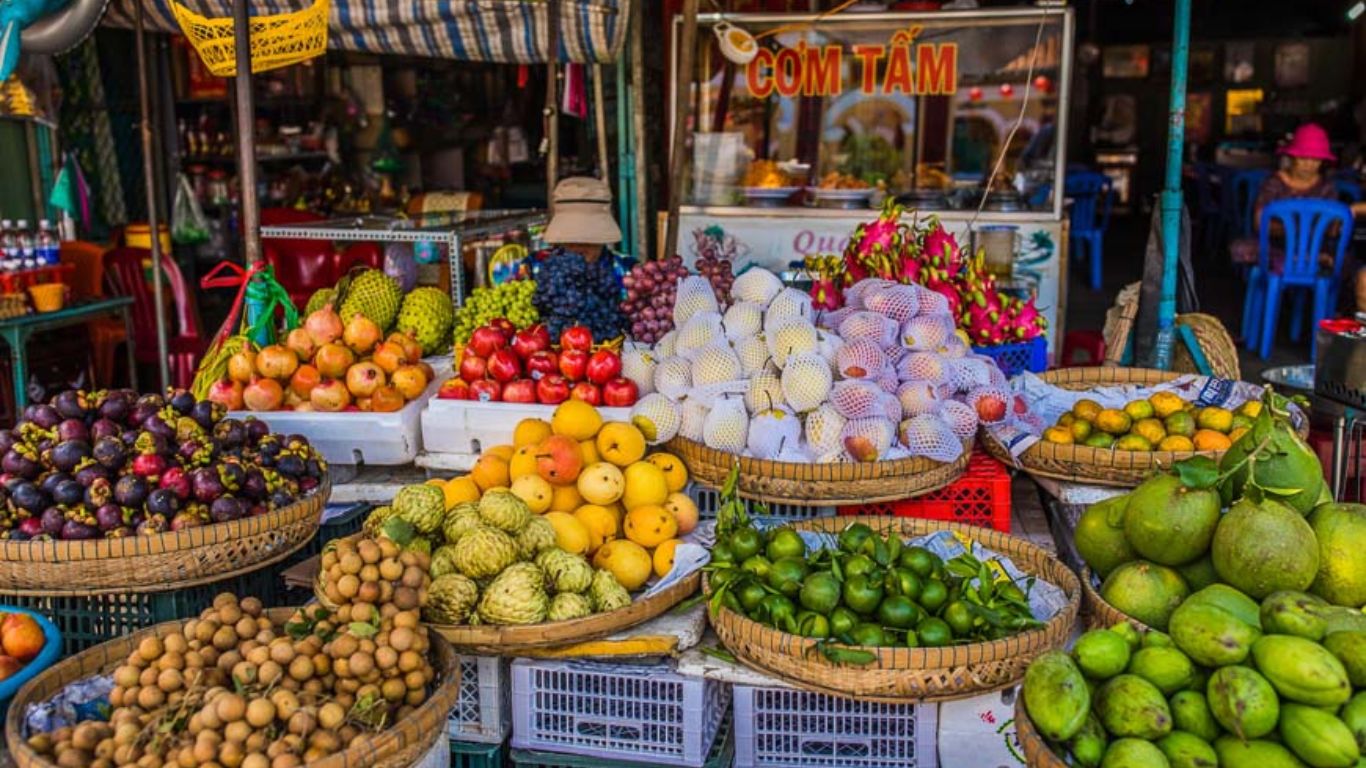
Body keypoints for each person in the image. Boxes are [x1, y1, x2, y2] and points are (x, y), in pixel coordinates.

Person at [1230, 123, 1366, 310]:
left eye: (1315, 159)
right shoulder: (1273, 184)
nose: (1309, 164)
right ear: (1292, 156)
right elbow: (1260, 223)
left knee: (1347, 264)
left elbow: (1332, 230)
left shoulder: (1327, 189)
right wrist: (1301, 231)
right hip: (1277, 248)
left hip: (1316, 249)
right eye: (1303, 157)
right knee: (1245, 249)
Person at [540, 177, 622, 263]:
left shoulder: (628, 268)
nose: (578, 248)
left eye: (589, 243)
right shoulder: (532, 266)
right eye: (570, 242)